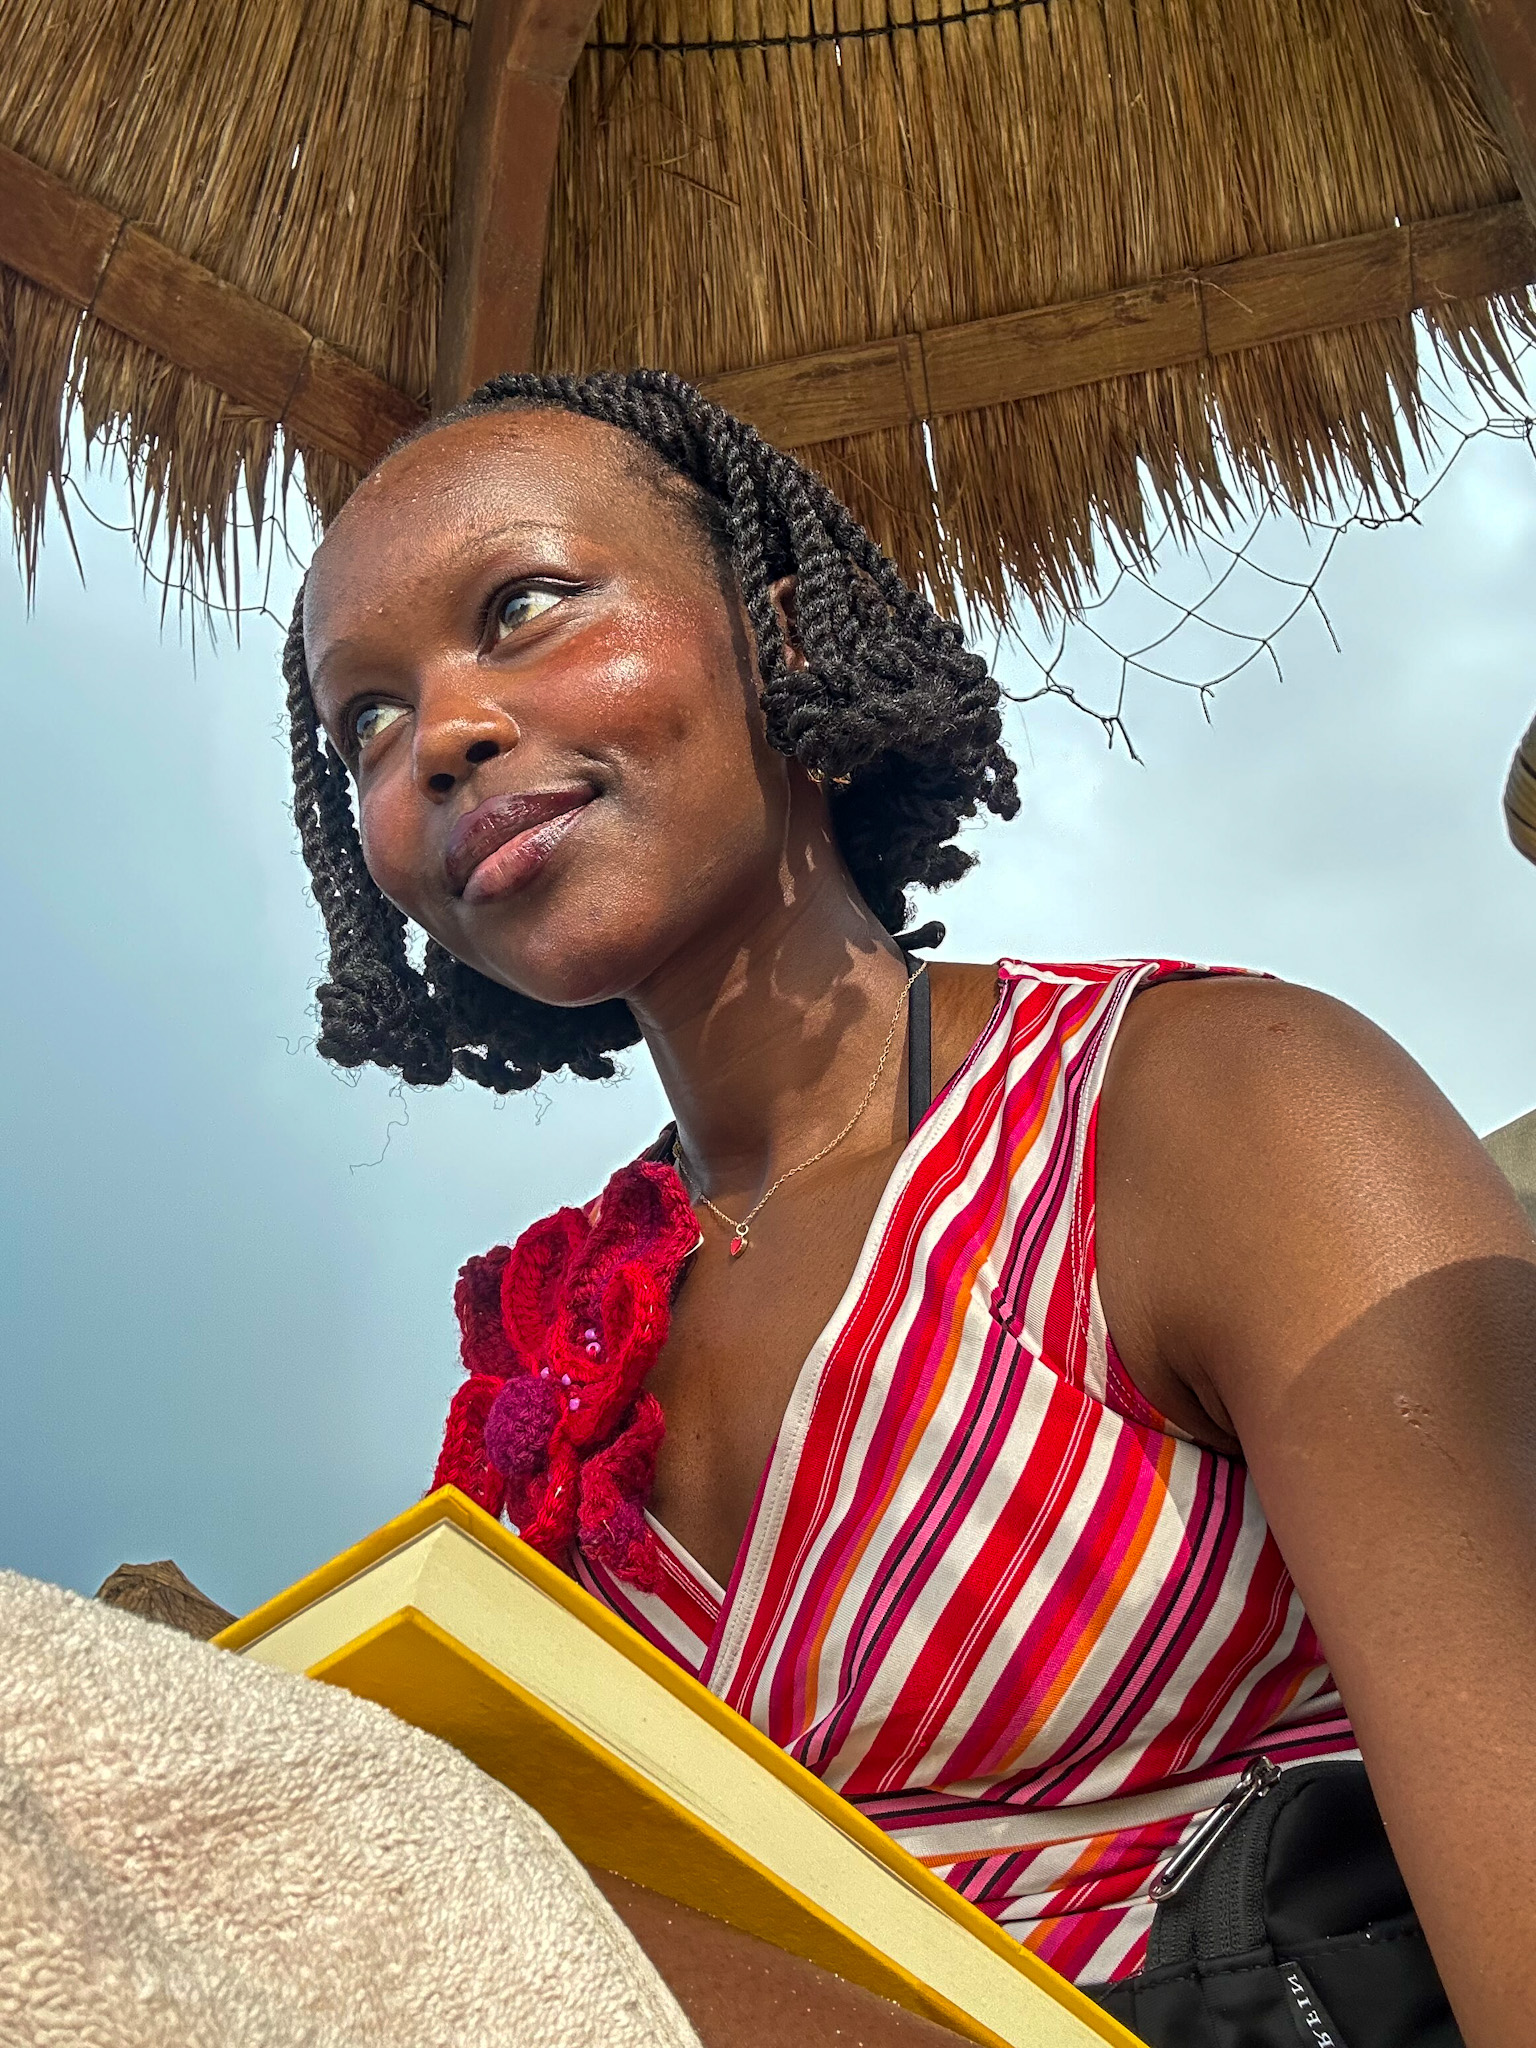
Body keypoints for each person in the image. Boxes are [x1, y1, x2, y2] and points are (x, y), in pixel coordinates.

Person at [285, 369, 1536, 2048]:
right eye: (364, 718)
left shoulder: (1207, 1106)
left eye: (523, 606)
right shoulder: (561, 1348)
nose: (440, 730)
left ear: (775, 622)